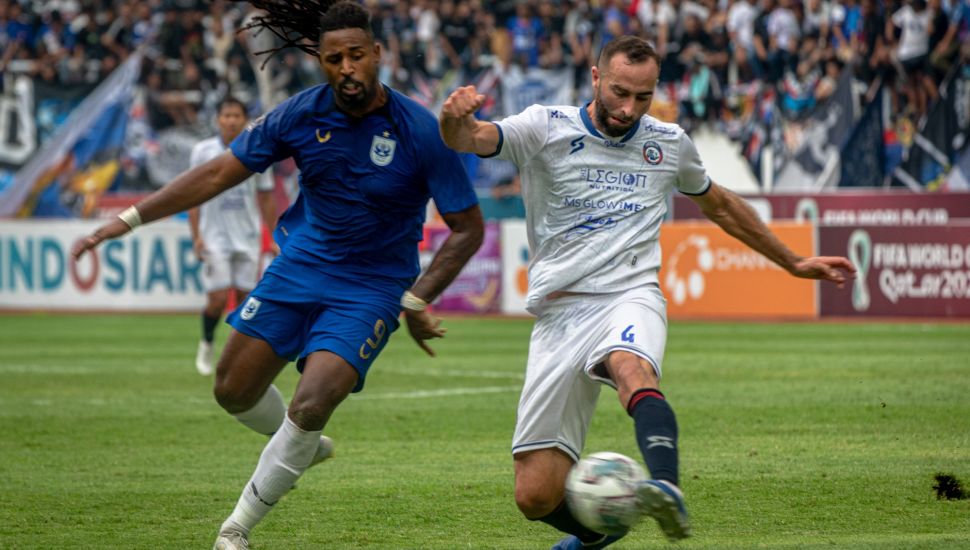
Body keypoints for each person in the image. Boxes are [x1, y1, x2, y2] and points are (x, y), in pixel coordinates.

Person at [72, 2, 484, 549]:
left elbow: (467, 229)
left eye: (357, 55)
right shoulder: (299, 114)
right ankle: (302, 448)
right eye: (334, 58)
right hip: (300, 266)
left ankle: (235, 529)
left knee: (313, 401)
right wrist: (128, 219)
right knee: (232, 389)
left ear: (378, 55)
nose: (346, 68)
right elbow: (220, 171)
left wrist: (415, 300)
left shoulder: (421, 131)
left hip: (371, 287)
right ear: (321, 62)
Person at [440, 35, 855, 549]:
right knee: (535, 495)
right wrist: (453, 119)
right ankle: (599, 528)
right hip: (557, 315)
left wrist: (792, 260)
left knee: (631, 366)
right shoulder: (544, 127)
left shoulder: (668, 142)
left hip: (629, 294)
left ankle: (665, 487)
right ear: (595, 78)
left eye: (643, 96)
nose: (630, 108)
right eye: (619, 92)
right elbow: (469, 139)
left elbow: (720, 204)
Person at [188, 96, 278, 376]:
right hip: (214, 236)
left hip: (248, 237)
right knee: (216, 300)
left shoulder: (259, 152)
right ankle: (206, 343)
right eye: (225, 115)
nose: (230, 120)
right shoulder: (203, 151)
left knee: (245, 300)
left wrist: (273, 236)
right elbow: (192, 195)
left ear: (245, 120)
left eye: (236, 115)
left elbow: (266, 197)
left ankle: (233, 356)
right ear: (218, 119)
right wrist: (196, 236)